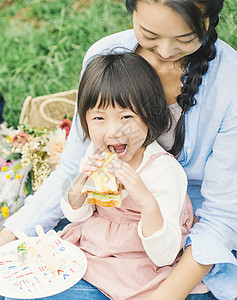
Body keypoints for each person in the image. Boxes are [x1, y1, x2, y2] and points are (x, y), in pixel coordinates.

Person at [1, 0, 237, 299]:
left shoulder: (230, 83)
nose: (164, 52)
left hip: (174, 253)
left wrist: (165, 294)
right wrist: (11, 233)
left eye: (185, 38)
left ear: (208, 20)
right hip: (101, 236)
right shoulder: (106, 57)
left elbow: (222, 217)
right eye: (149, 35)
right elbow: (74, 167)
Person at [5, 52, 203, 300]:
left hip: (136, 265)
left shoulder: (163, 171)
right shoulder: (96, 153)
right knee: (20, 288)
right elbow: (76, 213)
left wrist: (146, 202)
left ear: (150, 115)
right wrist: (81, 182)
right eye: (99, 118)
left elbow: (164, 254)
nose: (113, 132)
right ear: (85, 121)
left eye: (127, 117)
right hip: (92, 249)